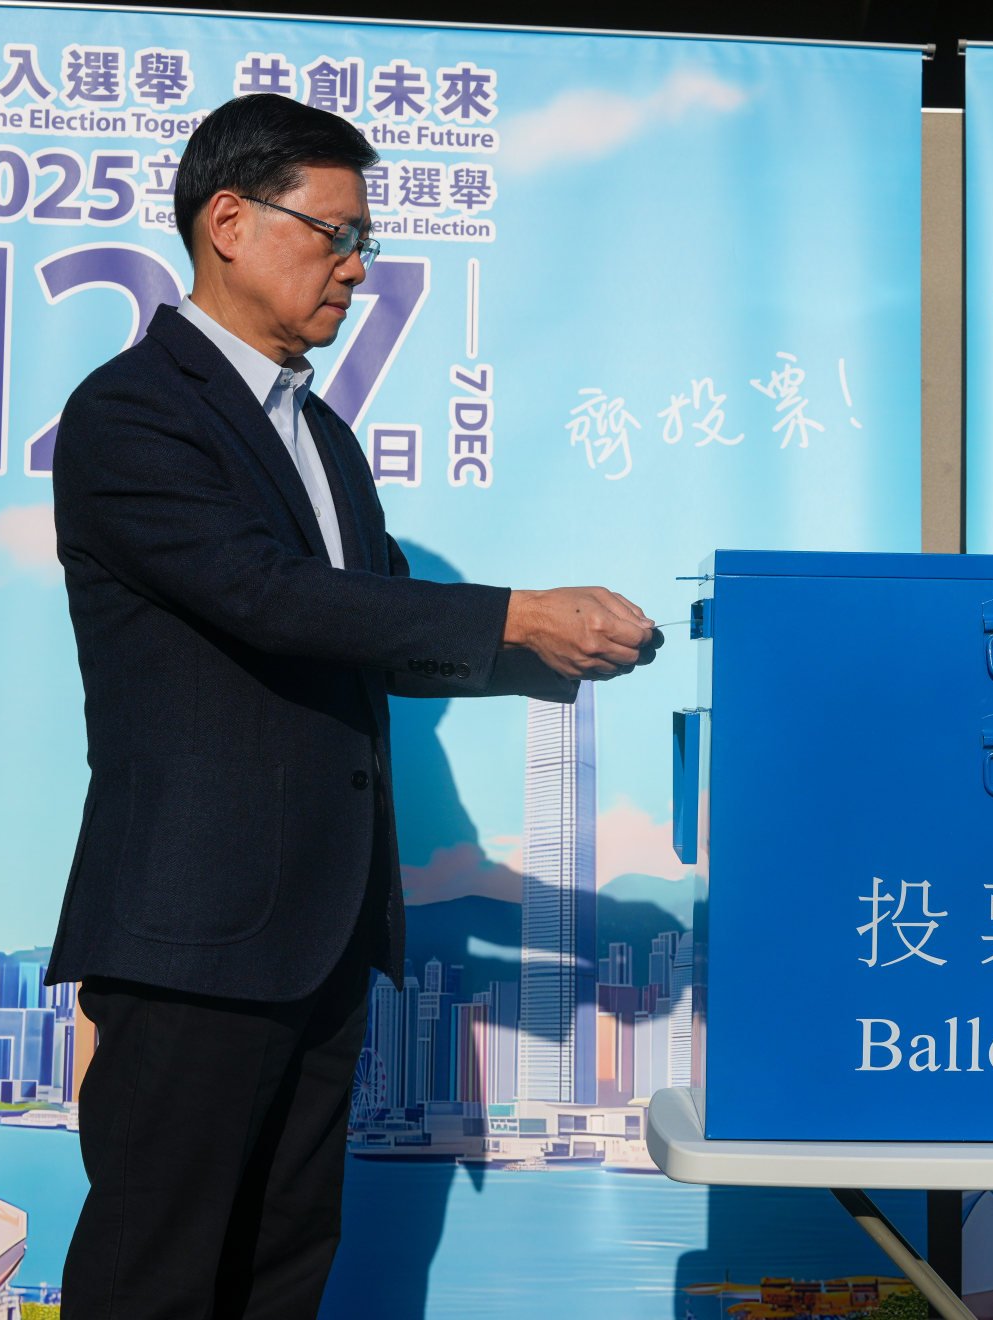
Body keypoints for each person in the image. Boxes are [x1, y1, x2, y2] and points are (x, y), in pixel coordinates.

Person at [44, 93, 658, 1318]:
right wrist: (518, 612)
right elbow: (264, 598)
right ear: (228, 221)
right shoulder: (132, 414)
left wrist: (557, 658)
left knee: (283, 1265)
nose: (359, 268)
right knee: (156, 1274)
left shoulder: (319, 433)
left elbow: (367, 625)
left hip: (323, 935)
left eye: (363, 239)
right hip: (195, 935)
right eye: (333, 233)